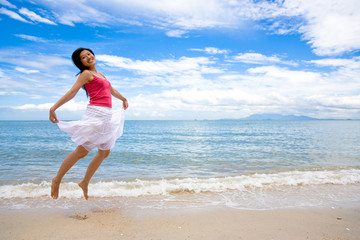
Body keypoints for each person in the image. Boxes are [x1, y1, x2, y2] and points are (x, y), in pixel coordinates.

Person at [49, 47, 128, 200]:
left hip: (107, 116)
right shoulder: (86, 74)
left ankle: (84, 182)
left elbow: (112, 91)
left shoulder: (101, 75)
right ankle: (57, 179)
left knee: (104, 152)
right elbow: (72, 92)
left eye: (89, 54)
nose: (88, 57)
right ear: (81, 63)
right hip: (96, 114)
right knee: (81, 151)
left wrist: (123, 98)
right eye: (84, 57)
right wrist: (53, 108)